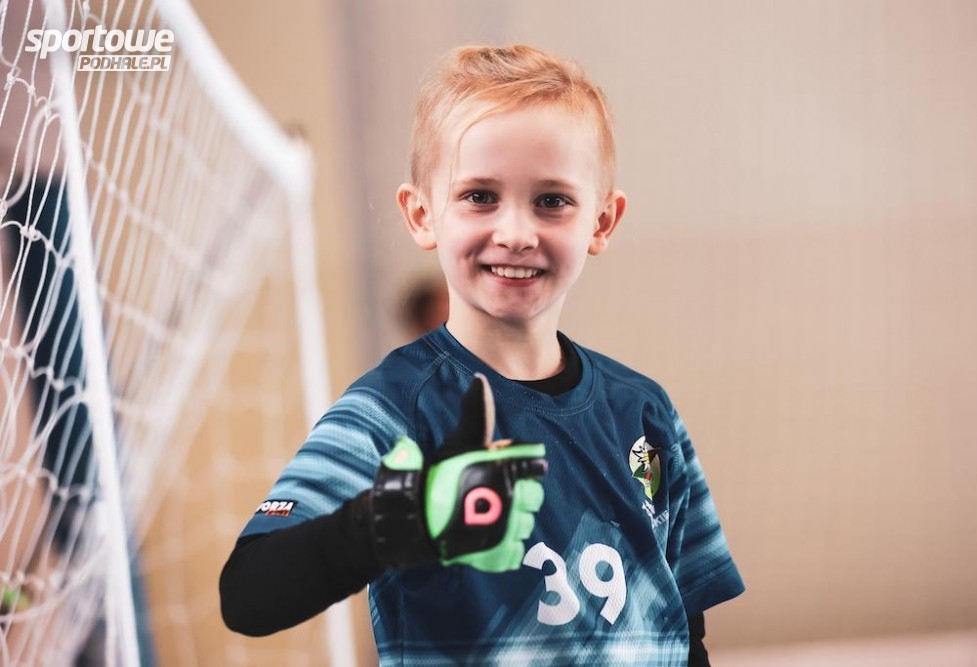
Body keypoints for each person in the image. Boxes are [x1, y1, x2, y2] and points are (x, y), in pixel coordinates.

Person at [220, 44, 744, 666]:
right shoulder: (393, 412)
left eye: (552, 200)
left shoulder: (644, 411)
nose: (516, 233)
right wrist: (398, 520)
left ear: (602, 222)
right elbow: (247, 592)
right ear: (422, 214)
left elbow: (684, 626)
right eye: (479, 196)